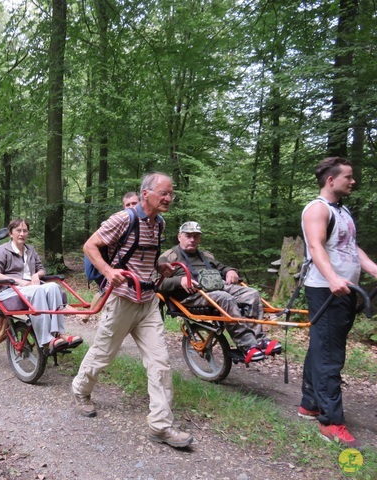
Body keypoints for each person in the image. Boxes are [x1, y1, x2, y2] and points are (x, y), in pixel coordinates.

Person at [72, 172, 193, 448]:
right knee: (103, 353)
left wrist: (158, 267)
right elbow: (90, 245)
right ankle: (80, 390)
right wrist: (107, 270)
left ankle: (161, 426)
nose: (168, 198)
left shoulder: (159, 223)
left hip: (148, 301)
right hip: (122, 299)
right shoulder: (123, 219)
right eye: (164, 193)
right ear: (146, 194)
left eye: (171, 193)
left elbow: (145, 256)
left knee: (160, 361)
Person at [298, 157, 377, 448]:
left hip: (346, 289)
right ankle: (331, 422)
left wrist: (372, 268)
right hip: (327, 290)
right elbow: (316, 246)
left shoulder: (341, 211)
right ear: (331, 180)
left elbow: (350, 247)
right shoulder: (317, 209)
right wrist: (332, 278)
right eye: (348, 177)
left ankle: (309, 403)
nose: (353, 181)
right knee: (331, 355)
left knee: (323, 346)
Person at [158, 221, 281, 363]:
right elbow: (157, 283)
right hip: (191, 295)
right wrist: (179, 281)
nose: (192, 239)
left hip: (216, 287)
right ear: (180, 236)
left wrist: (230, 271)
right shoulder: (168, 256)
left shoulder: (206, 255)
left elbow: (222, 267)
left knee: (251, 293)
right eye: (188, 235)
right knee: (225, 298)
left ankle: (259, 340)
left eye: (196, 236)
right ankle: (247, 345)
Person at [0, 218, 83, 353]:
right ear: (11, 233)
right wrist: (18, 281)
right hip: (10, 290)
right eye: (18, 230)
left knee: (54, 287)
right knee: (38, 291)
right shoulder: (2, 250)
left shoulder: (30, 250)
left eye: (25, 231)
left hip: (31, 287)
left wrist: (36, 275)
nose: (22, 234)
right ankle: (45, 340)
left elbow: (42, 269)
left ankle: (59, 334)